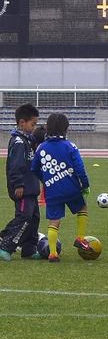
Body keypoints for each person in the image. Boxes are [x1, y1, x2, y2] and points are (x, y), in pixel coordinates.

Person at [31, 113, 92, 262]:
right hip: (71, 189)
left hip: (52, 190)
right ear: (66, 129)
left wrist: (45, 179)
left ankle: (52, 253)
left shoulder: (41, 148)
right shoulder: (70, 146)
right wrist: (85, 185)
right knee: (82, 208)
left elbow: (34, 168)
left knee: (54, 221)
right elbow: (80, 169)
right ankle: (80, 238)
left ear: (47, 128)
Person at [0, 104, 41, 261]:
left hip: (31, 188)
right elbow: (16, 166)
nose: (34, 127)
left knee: (34, 218)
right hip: (23, 189)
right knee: (23, 217)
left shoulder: (27, 141)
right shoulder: (18, 142)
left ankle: (29, 249)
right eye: (33, 124)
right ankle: (6, 246)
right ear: (22, 122)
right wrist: (18, 184)